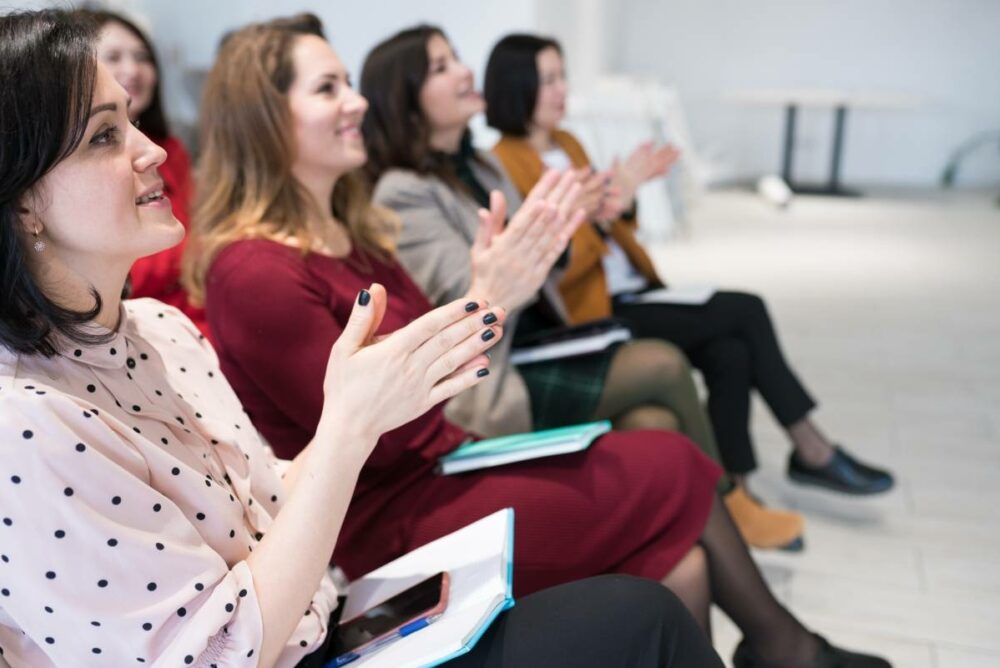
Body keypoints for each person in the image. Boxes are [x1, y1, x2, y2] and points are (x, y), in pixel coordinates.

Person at [0, 9, 724, 668]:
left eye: (132, 121)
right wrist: (483, 308)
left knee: (664, 546)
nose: (155, 149)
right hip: (362, 538)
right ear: (23, 201)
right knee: (658, 502)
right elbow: (214, 648)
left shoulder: (163, 328)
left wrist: (477, 312)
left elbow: (273, 492)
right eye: (105, 135)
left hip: (336, 580)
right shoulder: (28, 417)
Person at [188, 15, 889, 667]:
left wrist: (490, 296)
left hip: (440, 464)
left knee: (683, 560)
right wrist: (487, 300)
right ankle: (787, 648)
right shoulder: (255, 270)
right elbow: (383, 428)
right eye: (328, 88)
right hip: (383, 515)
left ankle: (783, 647)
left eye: (348, 82)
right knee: (672, 462)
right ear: (266, 120)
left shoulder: (349, 231)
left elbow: (430, 385)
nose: (357, 101)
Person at [360, 25, 803, 551]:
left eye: (456, 57)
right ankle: (728, 503)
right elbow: (471, 297)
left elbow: (548, 264)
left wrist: (584, 217)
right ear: (406, 100)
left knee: (657, 415)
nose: (463, 70)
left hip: (540, 332)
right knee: (667, 360)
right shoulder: (405, 191)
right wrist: (560, 227)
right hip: (497, 366)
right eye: (441, 66)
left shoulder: (483, 164)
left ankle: (684, 536)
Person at [483, 33, 896, 516]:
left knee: (731, 350)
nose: (560, 90)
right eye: (547, 79)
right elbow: (549, 268)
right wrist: (589, 214)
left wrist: (623, 199)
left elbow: (610, 226)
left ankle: (738, 486)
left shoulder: (568, 143)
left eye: (562, 76)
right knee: (746, 309)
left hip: (632, 289)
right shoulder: (504, 163)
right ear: (517, 85)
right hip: (591, 313)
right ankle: (810, 449)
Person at [81, 8, 209, 338]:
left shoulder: (171, 148)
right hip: (143, 333)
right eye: (114, 56)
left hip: (199, 322)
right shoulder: (80, 173)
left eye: (142, 57)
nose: (132, 70)